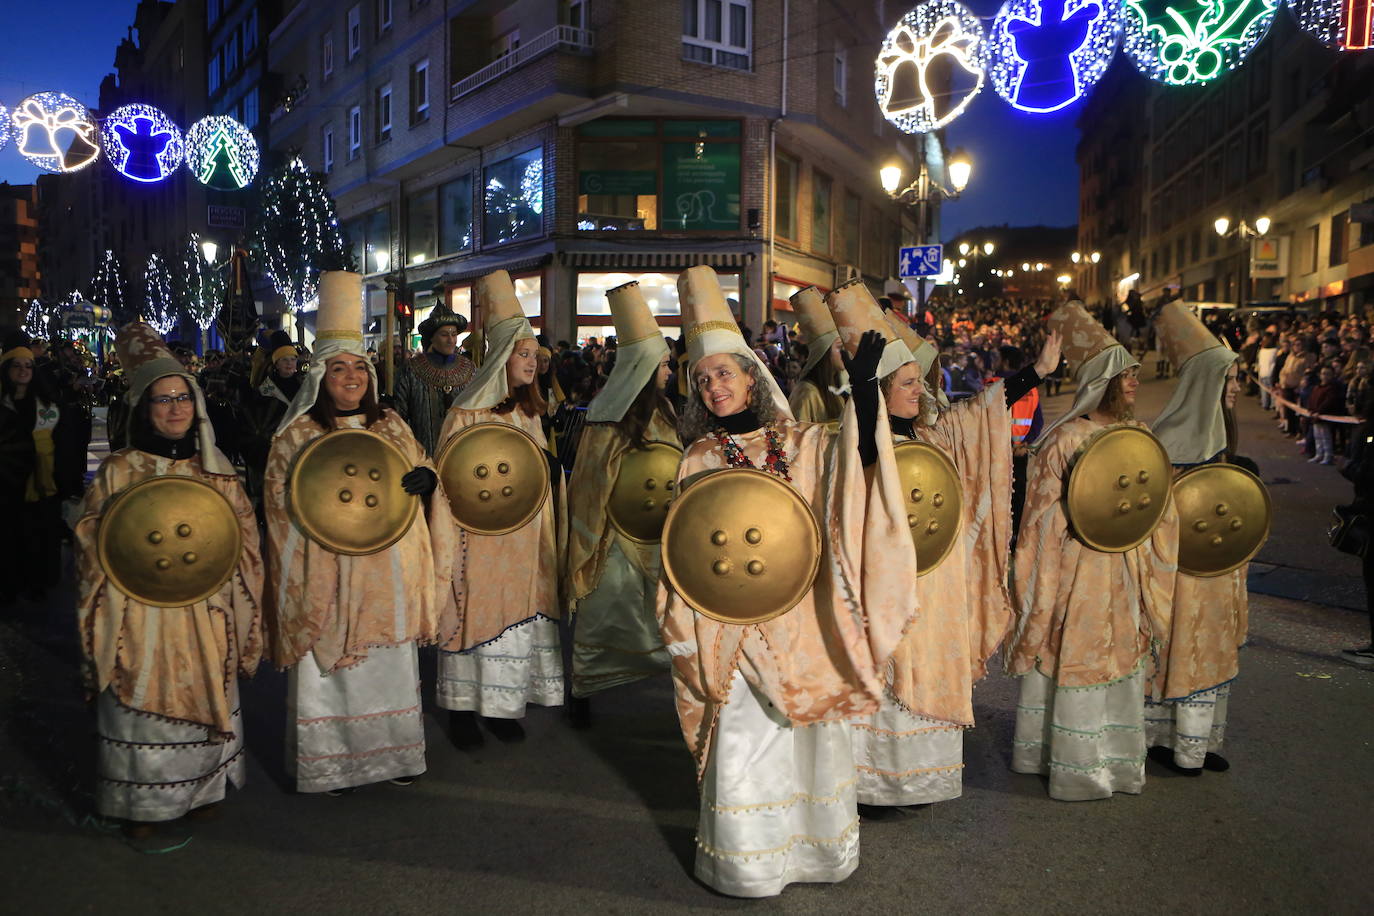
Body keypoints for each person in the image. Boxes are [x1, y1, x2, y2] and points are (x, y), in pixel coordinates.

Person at [659, 268, 918, 897]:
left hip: (799, 615)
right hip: (732, 625)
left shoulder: (799, 442)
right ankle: (748, 864)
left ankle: (814, 851)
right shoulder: (697, 458)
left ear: (751, 375)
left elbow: (854, 473)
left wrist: (861, 391)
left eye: (724, 372)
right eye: (702, 379)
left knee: (808, 731)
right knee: (747, 736)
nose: (714, 386)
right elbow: (687, 552)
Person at [836, 292, 1060, 809]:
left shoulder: (932, 435)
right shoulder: (863, 445)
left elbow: (983, 414)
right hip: (889, 585)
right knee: (891, 668)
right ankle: (877, 783)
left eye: (919, 380)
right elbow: (867, 452)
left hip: (938, 581)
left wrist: (1036, 372)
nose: (922, 390)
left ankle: (921, 779)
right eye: (909, 383)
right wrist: (864, 386)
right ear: (884, 390)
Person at [265, 270, 456, 795]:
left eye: (360, 368)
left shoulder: (391, 425)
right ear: (319, 378)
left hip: (387, 570)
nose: (351, 378)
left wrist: (428, 480)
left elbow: (424, 467)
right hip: (326, 569)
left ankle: (395, 756)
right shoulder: (296, 435)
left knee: (387, 666)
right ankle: (330, 766)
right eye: (338, 369)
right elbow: (280, 508)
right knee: (333, 672)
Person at [74, 322, 263, 837]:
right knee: (143, 696)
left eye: (183, 397)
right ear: (144, 409)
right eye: (163, 400)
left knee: (208, 688)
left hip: (205, 607)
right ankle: (143, 804)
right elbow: (94, 539)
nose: (176, 408)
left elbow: (243, 541)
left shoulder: (216, 469)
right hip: (140, 608)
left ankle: (202, 787)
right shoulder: (120, 470)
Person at [1006, 298, 1178, 801]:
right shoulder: (1065, 440)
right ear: (1103, 381)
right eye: (1125, 375)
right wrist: (1077, 527)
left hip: (1125, 569)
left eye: (1135, 375)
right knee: (1073, 656)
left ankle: (1116, 761)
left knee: (1120, 656)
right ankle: (1069, 763)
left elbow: (1155, 505)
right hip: (1078, 570)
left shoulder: (1138, 435)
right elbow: (1038, 514)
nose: (1134, 383)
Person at [435, 271, 564, 749]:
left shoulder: (531, 413)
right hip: (478, 539)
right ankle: (464, 711)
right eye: (523, 354)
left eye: (535, 355)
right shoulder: (465, 413)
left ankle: (504, 707)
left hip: (523, 539)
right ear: (501, 357)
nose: (532, 363)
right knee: (473, 614)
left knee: (517, 615)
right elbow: (448, 477)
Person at [1145, 302, 1250, 775]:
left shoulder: (1223, 432)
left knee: (1210, 652)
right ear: (1207, 384)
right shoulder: (1168, 439)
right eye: (1228, 380)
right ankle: (1168, 741)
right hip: (1182, 573)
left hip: (1220, 572)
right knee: (1179, 651)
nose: (1236, 388)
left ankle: (1199, 742)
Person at [563, 281, 676, 714]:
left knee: (653, 613)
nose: (669, 371)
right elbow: (590, 484)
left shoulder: (665, 409)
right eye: (663, 365)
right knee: (606, 612)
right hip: (612, 537)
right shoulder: (607, 415)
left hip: (651, 532)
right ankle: (584, 689)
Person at [0, 334, 80, 604]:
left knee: (42, 534)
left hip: (45, 483)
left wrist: (64, 478)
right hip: (9, 486)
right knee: (11, 535)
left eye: (28, 366)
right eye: (17, 366)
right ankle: (12, 582)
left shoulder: (48, 405)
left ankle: (39, 582)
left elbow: (63, 444)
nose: (23, 371)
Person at [393, 303, 475, 456]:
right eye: (444, 334)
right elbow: (399, 418)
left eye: (454, 334)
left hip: (463, 455)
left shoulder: (470, 369)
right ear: (432, 337)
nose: (451, 340)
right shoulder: (410, 370)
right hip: (422, 456)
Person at [786, 286, 847, 424]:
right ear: (823, 352)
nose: (845, 353)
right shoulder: (806, 393)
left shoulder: (835, 388)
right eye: (839, 347)